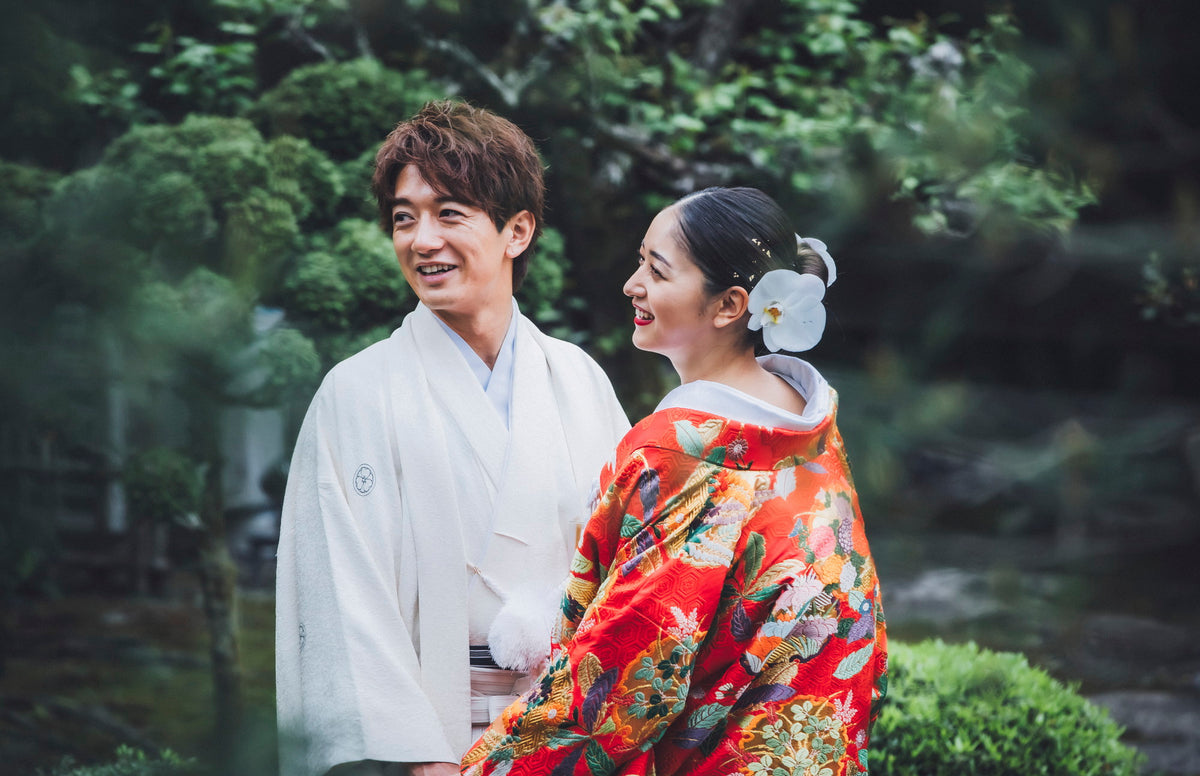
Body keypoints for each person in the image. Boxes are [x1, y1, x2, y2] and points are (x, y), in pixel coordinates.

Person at [462, 187, 888, 776]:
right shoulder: (809, 426)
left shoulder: (678, 454)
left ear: (730, 305)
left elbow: (625, 676)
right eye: (640, 261)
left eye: (656, 272)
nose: (632, 285)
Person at [275, 100, 630, 776]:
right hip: (431, 737)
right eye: (404, 218)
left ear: (517, 231)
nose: (421, 240)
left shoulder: (579, 380)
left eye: (449, 213)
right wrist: (421, 760)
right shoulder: (356, 393)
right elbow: (340, 601)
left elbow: (630, 569)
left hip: (573, 733)